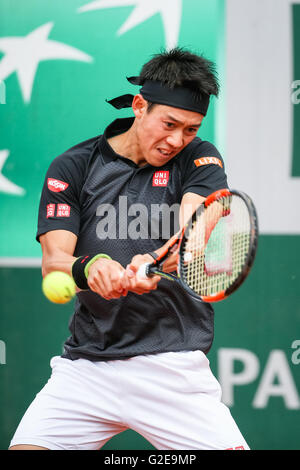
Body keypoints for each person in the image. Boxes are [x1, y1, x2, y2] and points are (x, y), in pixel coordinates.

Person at [9, 48, 249, 450]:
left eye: (190, 129)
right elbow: (54, 263)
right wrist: (92, 268)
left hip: (172, 364)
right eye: (169, 124)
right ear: (140, 106)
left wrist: (157, 259)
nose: (177, 140)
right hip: (87, 366)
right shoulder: (73, 166)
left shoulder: (200, 158)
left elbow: (195, 227)